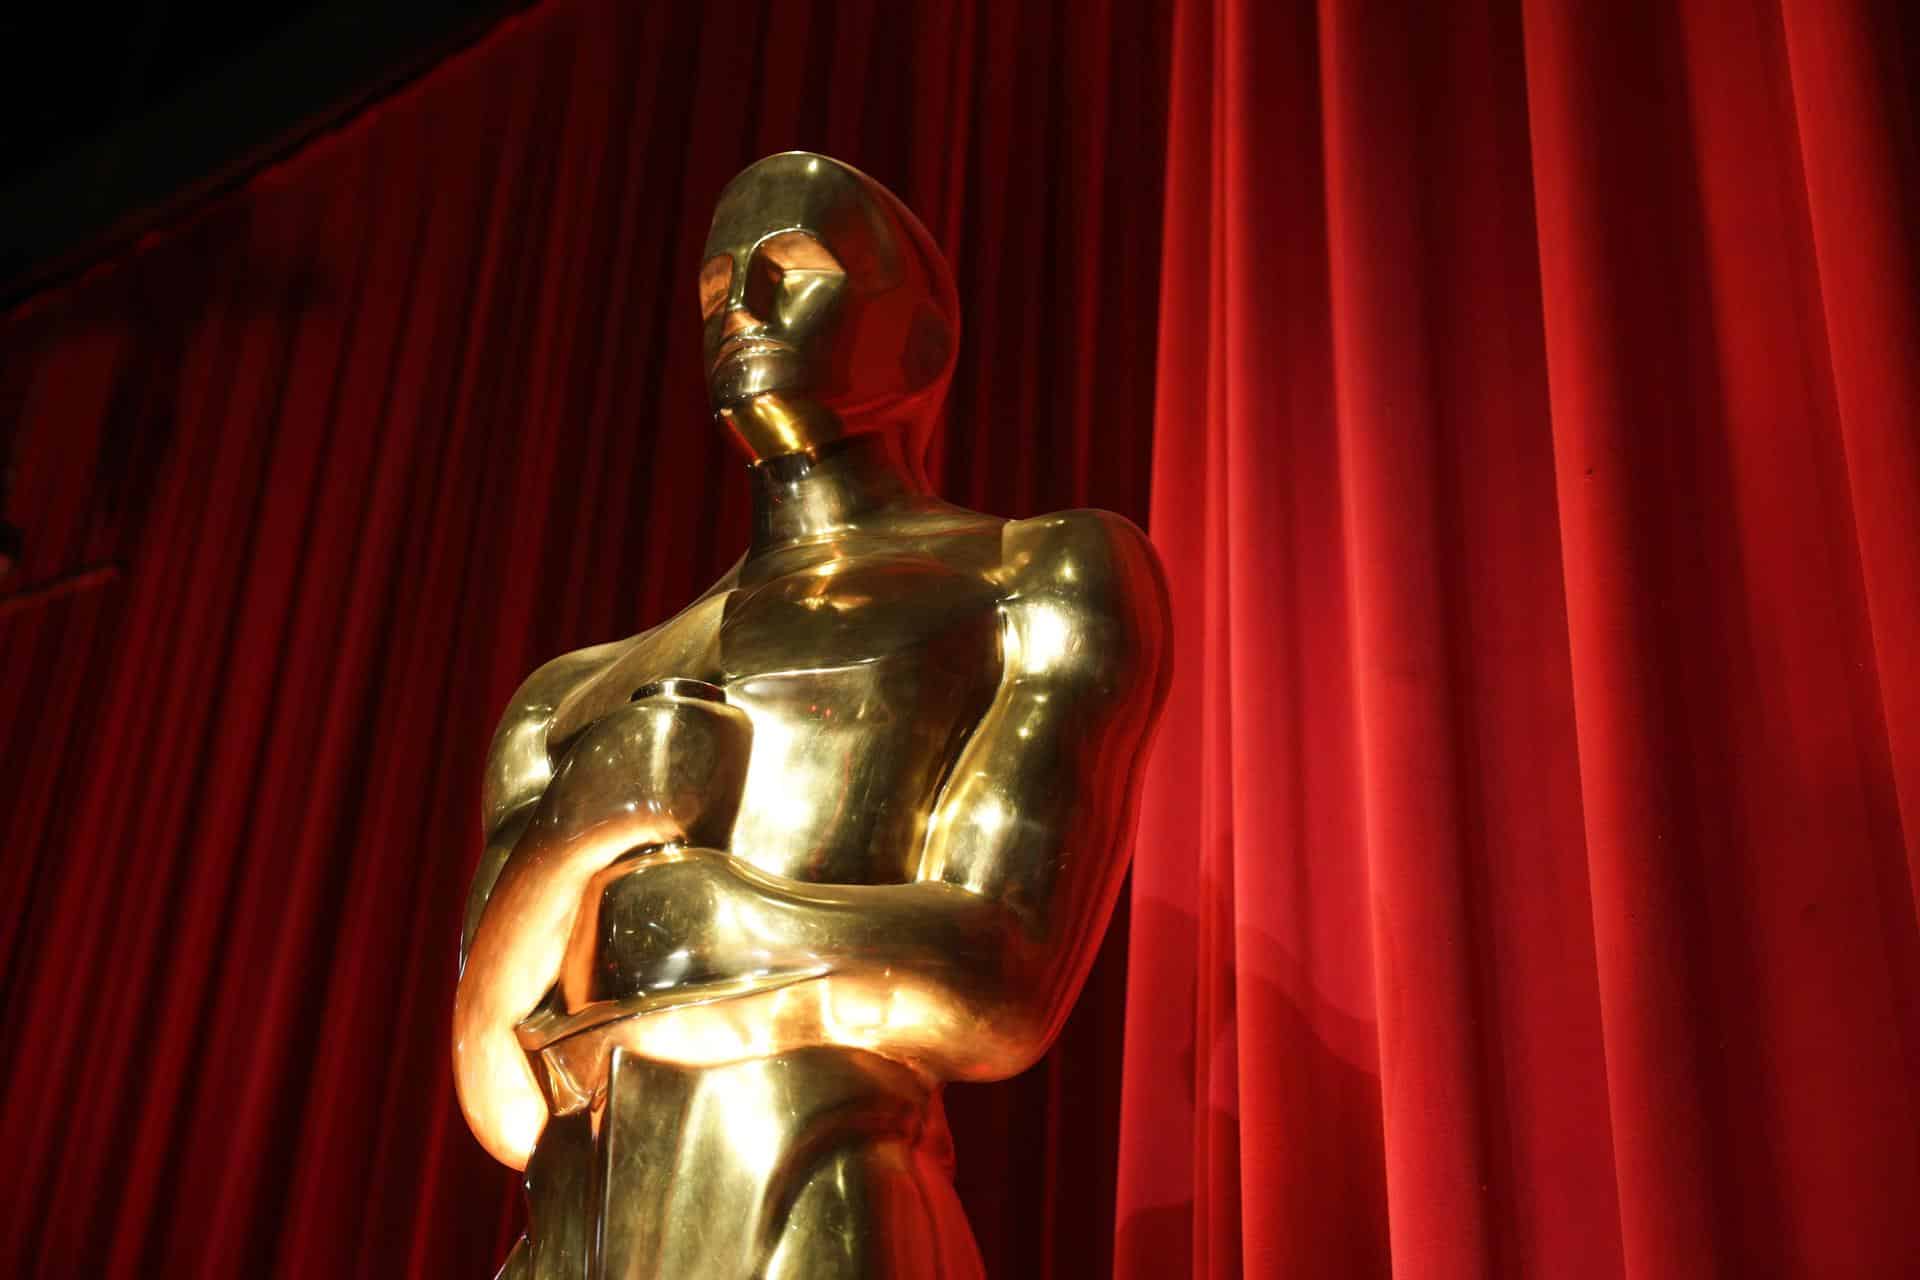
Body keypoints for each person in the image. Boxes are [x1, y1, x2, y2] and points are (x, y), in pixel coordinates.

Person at [453, 152, 1170, 1279]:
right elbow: (495, 1082)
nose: (745, 308)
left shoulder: (1030, 576)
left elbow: (1000, 979)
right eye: (718, 287)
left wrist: (702, 916)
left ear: (923, 329)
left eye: (794, 266)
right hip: (569, 1244)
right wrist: (583, 827)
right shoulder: (572, 689)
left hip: (818, 1206)